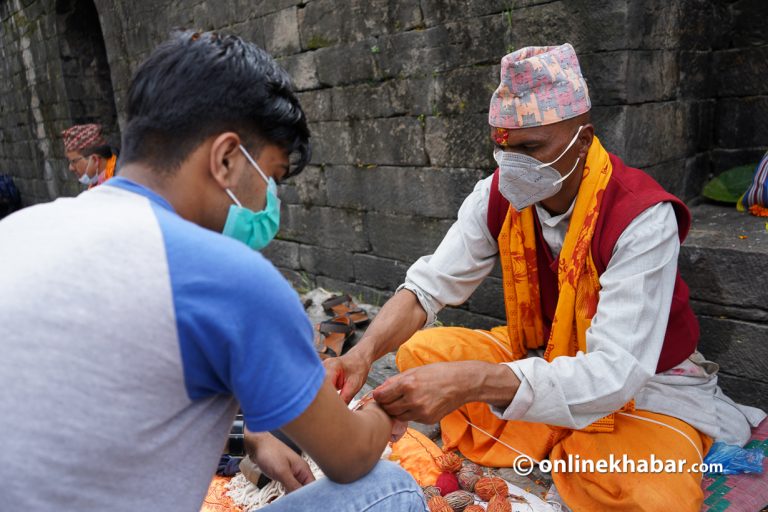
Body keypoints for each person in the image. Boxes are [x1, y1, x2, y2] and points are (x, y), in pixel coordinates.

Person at [325, 43, 767, 511]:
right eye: (504, 149)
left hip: (642, 387)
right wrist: (363, 354)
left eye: (531, 148)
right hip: (541, 354)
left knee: (655, 497)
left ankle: (557, 438)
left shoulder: (641, 217)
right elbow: (427, 287)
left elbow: (615, 374)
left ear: (583, 138)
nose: (514, 165)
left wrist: (475, 382)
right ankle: (556, 435)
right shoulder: (495, 194)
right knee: (419, 354)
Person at [0, 31, 424, 512]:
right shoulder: (229, 278)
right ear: (225, 159)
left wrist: (251, 438)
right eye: (271, 178)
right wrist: (383, 411)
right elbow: (348, 457)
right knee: (393, 489)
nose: (267, 202)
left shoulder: (19, 231)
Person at [62, 122, 119, 188]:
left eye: (73, 161)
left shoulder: (120, 186)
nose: (71, 168)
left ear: (95, 159)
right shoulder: (100, 182)